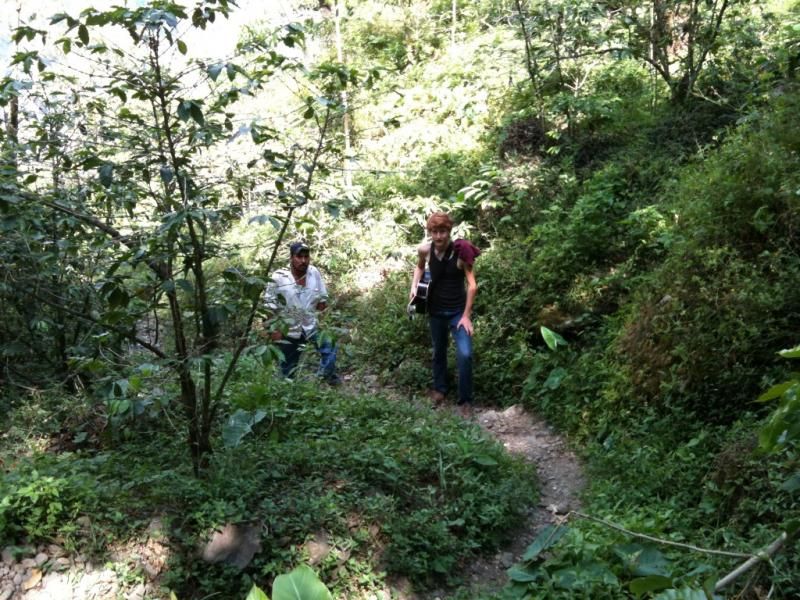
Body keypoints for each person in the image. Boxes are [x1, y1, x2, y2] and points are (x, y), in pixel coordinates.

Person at [409, 212, 480, 412]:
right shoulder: (425, 250)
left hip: (457, 313)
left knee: (465, 354)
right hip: (435, 311)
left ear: (449, 232)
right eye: (434, 232)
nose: (439, 236)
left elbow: (472, 286)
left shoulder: (460, 252)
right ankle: (440, 390)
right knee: (438, 351)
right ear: (429, 232)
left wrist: (466, 316)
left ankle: (465, 401)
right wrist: (414, 287)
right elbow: (419, 268)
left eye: (442, 232)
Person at [263, 241, 340, 384]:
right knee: (288, 369)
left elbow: (322, 300)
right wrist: (273, 330)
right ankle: (288, 393)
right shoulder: (279, 277)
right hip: (289, 328)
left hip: (311, 325)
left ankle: (325, 378)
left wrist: (323, 320)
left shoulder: (313, 272)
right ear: (292, 258)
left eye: (306, 257)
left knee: (330, 346)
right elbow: (269, 305)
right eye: (299, 257)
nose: (303, 260)